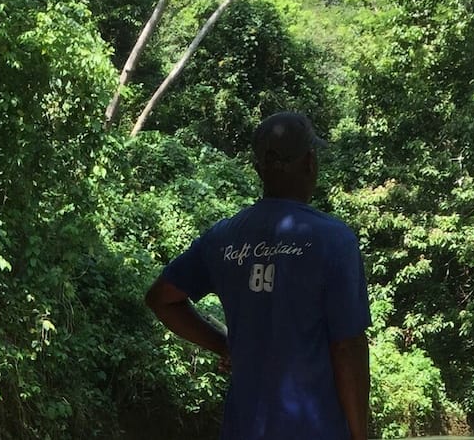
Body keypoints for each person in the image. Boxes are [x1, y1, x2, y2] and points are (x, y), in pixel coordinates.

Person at [145, 112, 371, 440]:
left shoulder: (222, 238)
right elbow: (347, 348)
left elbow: (161, 299)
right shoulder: (334, 241)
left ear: (257, 170)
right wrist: (359, 435)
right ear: (310, 162)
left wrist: (223, 344)